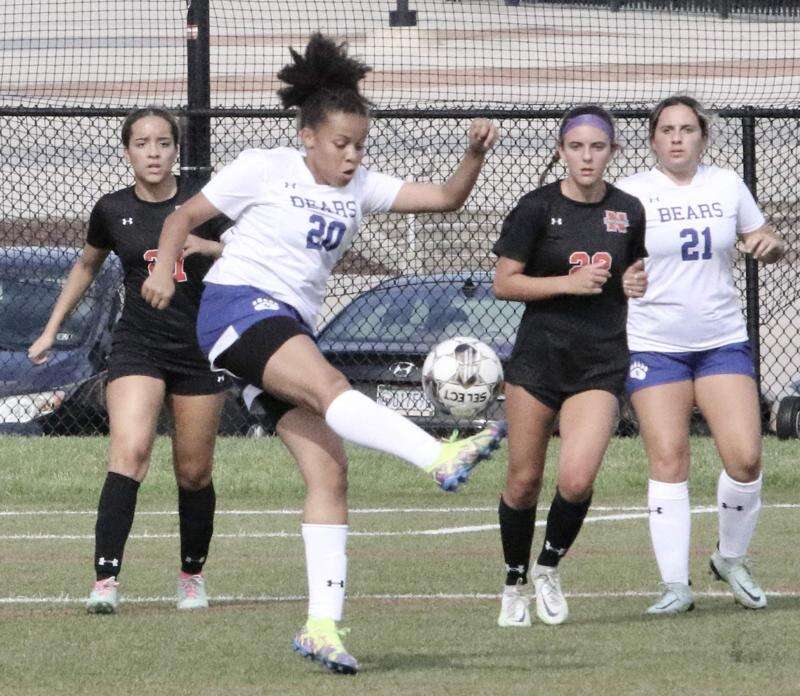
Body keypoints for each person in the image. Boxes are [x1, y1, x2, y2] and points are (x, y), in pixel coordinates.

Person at [141, 34, 505, 675]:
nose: (352, 155)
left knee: (330, 471)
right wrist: (168, 270)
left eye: (361, 144)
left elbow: (447, 198)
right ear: (308, 135)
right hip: (238, 310)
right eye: (342, 143)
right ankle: (439, 454)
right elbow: (182, 217)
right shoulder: (264, 166)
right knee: (332, 384)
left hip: (286, 326)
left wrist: (472, 156)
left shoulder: (359, 184)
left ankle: (320, 627)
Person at [28, 107, 231, 614]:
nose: (154, 152)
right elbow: (85, 265)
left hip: (198, 349)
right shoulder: (111, 209)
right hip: (137, 346)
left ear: (176, 150)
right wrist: (51, 330)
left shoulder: (202, 204)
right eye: (142, 144)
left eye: (163, 143)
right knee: (131, 450)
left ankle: (191, 576)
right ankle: (105, 582)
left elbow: (248, 251)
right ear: (128, 152)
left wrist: (203, 244)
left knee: (194, 472)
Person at [616, 95, 786, 614]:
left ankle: (730, 558)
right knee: (669, 460)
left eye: (687, 129)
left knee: (746, 457)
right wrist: (622, 278)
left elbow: (763, 237)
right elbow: (612, 263)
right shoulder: (631, 194)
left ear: (703, 137)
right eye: (666, 129)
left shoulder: (727, 184)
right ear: (651, 139)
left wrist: (770, 246)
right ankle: (674, 585)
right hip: (656, 344)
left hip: (720, 341)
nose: (676, 138)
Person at [492, 105, 648, 627]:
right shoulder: (536, 207)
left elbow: (631, 270)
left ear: (613, 151)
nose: (587, 156)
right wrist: (564, 283)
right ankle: (513, 579)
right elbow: (504, 282)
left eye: (597, 146)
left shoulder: (627, 209)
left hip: (600, 361)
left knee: (577, 480)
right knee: (523, 482)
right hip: (538, 361)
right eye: (577, 146)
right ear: (561, 150)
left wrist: (634, 281)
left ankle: (547, 567)